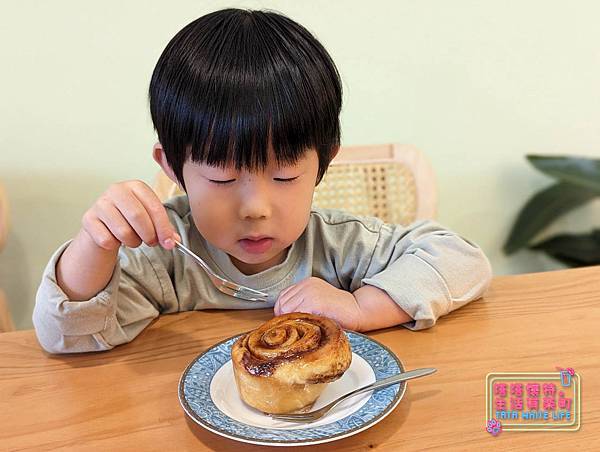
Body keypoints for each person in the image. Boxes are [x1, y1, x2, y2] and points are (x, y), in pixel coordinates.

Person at [33, 8, 492, 354]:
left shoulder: (339, 247)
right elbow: (63, 336)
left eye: (284, 175)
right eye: (222, 176)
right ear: (172, 167)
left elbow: (462, 259)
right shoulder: (163, 260)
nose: (255, 207)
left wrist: (362, 308)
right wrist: (95, 244)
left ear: (322, 164)